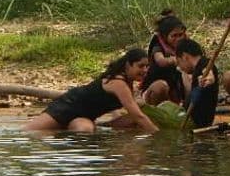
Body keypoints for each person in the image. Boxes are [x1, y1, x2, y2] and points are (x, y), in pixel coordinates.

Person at [26, 48, 159, 134]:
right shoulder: (119, 83)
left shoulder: (128, 84)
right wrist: (156, 134)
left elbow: (120, 109)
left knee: (85, 131)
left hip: (85, 117)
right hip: (67, 106)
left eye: (147, 66)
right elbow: (138, 116)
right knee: (28, 133)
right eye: (140, 66)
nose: (145, 70)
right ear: (128, 65)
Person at [140, 10, 187, 105]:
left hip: (175, 87)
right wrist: (174, 60)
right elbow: (160, 61)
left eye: (180, 35)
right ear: (165, 36)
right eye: (174, 36)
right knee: (161, 87)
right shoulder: (158, 46)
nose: (178, 39)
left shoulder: (185, 43)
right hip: (155, 87)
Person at [175, 37, 220, 129]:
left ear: (185, 56)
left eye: (179, 62)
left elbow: (208, 73)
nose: (180, 67)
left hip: (198, 122)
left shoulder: (205, 64)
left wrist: (209, 79)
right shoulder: (198, 67)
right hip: (192, 117)